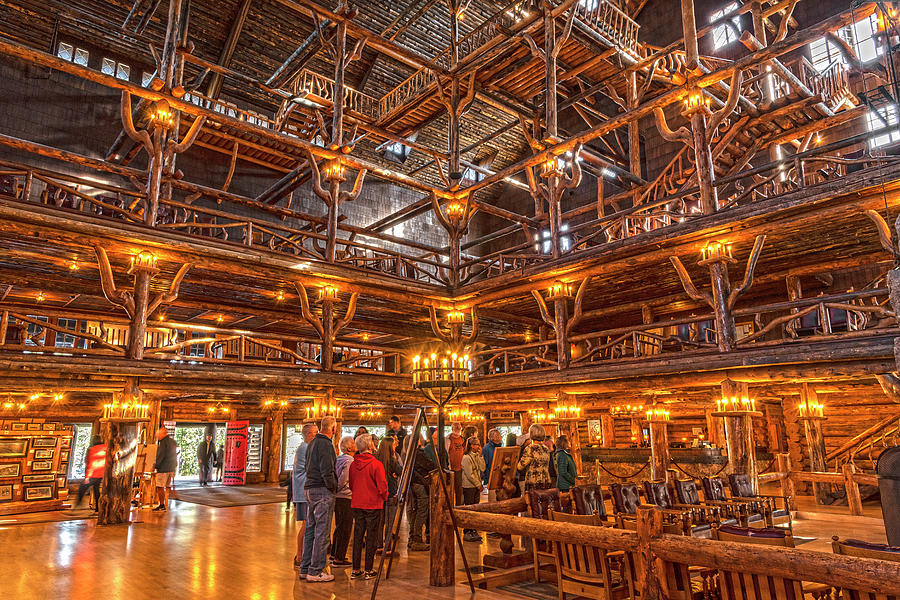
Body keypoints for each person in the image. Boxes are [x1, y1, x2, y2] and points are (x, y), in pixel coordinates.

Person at [302, 416, 337, 582]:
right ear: (333, 429)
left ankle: (305, 567)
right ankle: (316, 571)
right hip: (322, 490)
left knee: (311, 529)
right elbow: (327, 469)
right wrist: (333, 487)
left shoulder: (312, 443)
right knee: (322, 532)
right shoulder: (325, 444)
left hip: (309, 488)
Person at [349, 433, 388, 580]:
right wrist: (383, 497)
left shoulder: (354, 464)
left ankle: (356, 569)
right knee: (371, 537)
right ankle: (369, 569)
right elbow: (382, 486)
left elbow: (352, 484)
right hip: (373, 503)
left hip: (357, 502)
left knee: (358, 535)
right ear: (370, 446)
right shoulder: (376, 464)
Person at [293, 423, 317, 572]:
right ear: (308, 434)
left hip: (303, 489)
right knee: (307, 524)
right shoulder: (306, 448)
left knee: (308, 524)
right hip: (304, 491)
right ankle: (300, 556)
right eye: (315, 433)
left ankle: (304, 555)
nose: (317, 435)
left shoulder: (304, 447)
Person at [330, 435, 356, 567]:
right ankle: (339, 558)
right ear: (349, 447)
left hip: (337, 497)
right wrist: (338, 488)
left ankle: (334, 553)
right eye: (353, 443)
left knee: (339, 527)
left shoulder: (338, 459)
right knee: (345, 528)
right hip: (345, 496)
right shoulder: (350, 460)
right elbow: (344, 478)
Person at [403, 434, 431, 551]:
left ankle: (412, 539)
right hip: (420, 484)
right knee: (421, 512)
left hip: (412, 485)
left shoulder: (407, 454)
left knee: (414, 511)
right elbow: (430, 465)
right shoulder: (417, 453)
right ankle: (417, 539)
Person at [376, 434, 402, 554]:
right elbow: (400, 471)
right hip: (391, 491)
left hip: (378, 493)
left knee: (380, 521)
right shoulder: (392, 460)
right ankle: (387, 547)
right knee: (389, 521)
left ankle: (379, 545)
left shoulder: (376, 458)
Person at [461, 437, 486, 542]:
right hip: (469, 486)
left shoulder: (476, 456)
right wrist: (478, 485)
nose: (479, 446)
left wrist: (480, 457)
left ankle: (473, 529)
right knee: (469, 508)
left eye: (479, 444)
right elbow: (469, 474)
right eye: (476, 444)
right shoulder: (466, 458)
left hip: (476, 485)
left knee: (475, 508)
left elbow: (482, 468)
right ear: (471, 445)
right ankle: (467, 531)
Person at [516, 424, 551, 491]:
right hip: (546, 481)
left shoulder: (530, 448)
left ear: (531, 434)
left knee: (533, 501)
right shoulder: (546, 448)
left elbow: (520, 466)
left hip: (534, 482)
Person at [75, 435, 105, 511]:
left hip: (93, 473)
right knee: (96, 489)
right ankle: (98, 508)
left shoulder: (92, 449)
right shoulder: (105, 447)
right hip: (101, 472)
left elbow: (90, 463)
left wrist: (87, 477)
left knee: (82, 488)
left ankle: (77, 505)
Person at [153, 426, 177, 511]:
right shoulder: (173, 441)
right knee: (167, 487)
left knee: (160, 487)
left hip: (163, 468)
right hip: (171, 467)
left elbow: (161, 455)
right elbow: (175, 454)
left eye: (158, 435)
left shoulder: (163, 442)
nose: (158, 437)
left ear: (162, 434)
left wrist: (156, 466)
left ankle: (162, 505)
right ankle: (166, 503)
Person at [446, 422, 465, 505]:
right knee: (450, 490)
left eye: (459, 428)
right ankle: (450, 508)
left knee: (459, 491)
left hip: (460, 469)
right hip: (450, 469)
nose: (458, 429)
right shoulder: (448, 439)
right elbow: (445, 453)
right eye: (456, 427)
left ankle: (459, 507)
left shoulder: (463, 439)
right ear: (452, 428)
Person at [482, 428, 502, 495]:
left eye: (499, 435)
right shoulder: (486, 448)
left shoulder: (501, 446)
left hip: (500, 476)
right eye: (497, 435)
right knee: (492, 498)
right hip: (491, 477)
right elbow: (485, 465)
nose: (499, 437)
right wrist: (487, 480)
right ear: (491, 437)